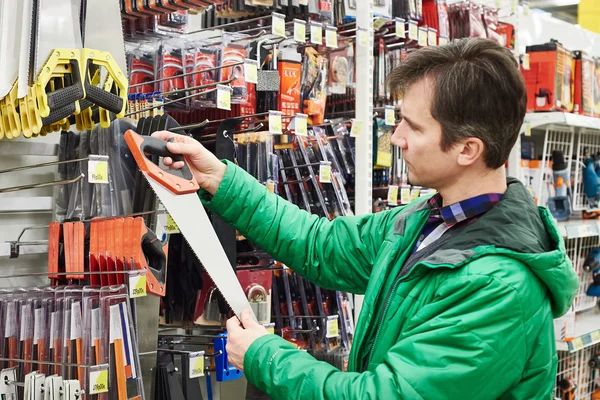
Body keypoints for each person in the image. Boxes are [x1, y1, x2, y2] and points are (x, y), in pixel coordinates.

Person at [153, 37, 579, 399]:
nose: (395, 138)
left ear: (467, 150)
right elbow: (319, 243)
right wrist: (220, 178)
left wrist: (265, 355)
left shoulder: (499, 289)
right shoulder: (424, 222)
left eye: (412, 127)